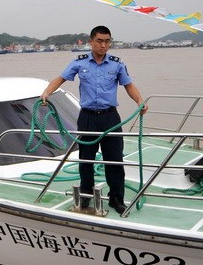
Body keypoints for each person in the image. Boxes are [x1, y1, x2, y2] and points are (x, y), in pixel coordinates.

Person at [41, 26, 147, 214]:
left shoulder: (117, 64)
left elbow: (129, 86)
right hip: (87, 118)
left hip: (110, 118)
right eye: (99, 41)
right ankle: (86, 196)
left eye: (107, 41)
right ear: (91, 42)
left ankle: (116, 198)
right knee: (86, 159)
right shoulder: (79, 63)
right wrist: (47, 93)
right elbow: (60, 79)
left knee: (114, 160)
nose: (103, 45)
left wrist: (140, 101)